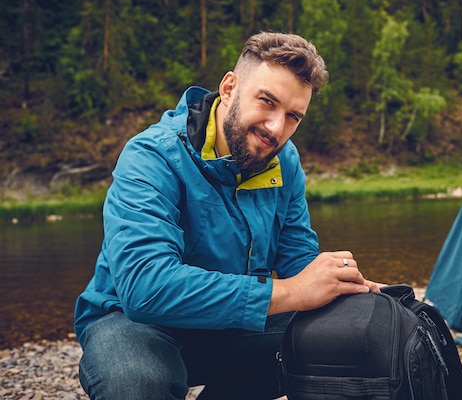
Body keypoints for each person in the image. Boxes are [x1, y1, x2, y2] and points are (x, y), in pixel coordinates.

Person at [74, 31, 382, 400]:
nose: (276, 128)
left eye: (292, 116)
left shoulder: (283, 160)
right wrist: (290, 292)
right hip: (133, 323)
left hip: (231, 324)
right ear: (229, 87)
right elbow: (146, 287)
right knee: (137, 383)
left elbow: (297, 259)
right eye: (267, 102)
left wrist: (349, 291)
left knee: (347, 332)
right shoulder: (151, 156)